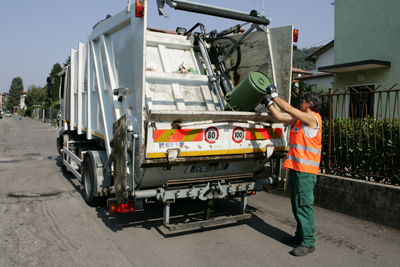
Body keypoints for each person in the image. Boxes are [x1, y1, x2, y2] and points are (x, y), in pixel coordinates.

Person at [263, 86, 322, 257]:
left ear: (309, 104)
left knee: (304, 206)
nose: (300, 103)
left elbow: (288, 109)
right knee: (297, 205)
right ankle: (300, 236)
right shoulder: (299, 122)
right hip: (297, 170)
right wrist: (268, 104)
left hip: (306, 171)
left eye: (302, 101)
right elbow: (281, 116)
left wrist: (274, 95)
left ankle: (308, 242)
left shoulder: (313, 119)